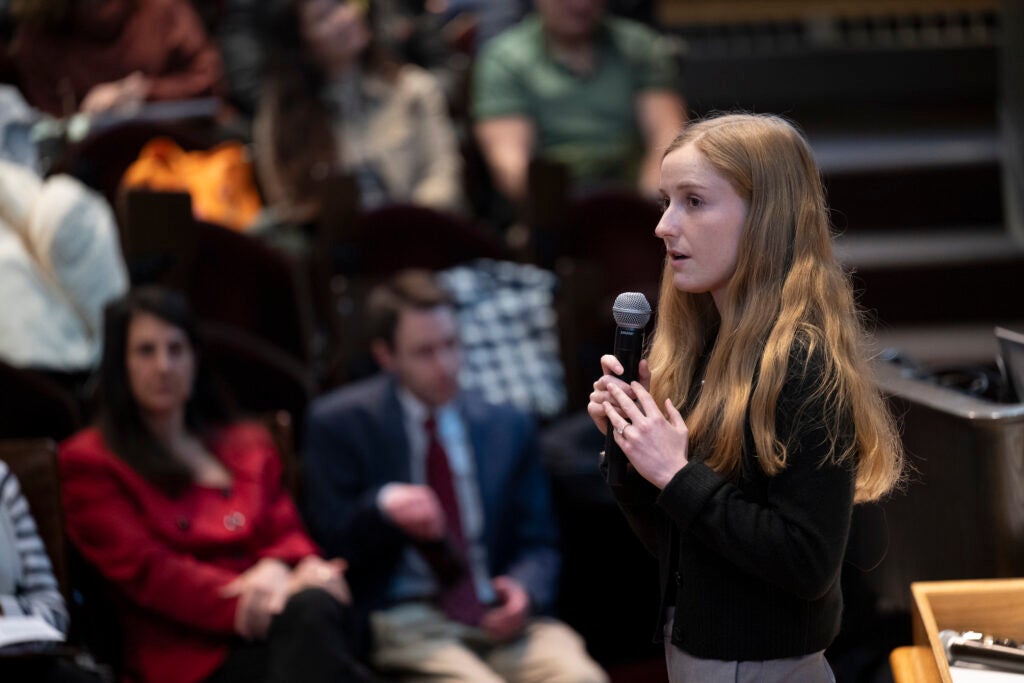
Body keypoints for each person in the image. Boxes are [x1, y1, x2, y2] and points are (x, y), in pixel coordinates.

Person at [587, 113, 904, 682]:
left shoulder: (803, 364)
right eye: (665, 201)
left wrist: (676, 473)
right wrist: (633, 452)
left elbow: (807, 562)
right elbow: (680, 548)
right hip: (696, 656)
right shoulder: (707, 348)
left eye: (693, 202)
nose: (663, 225)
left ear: (765, 217)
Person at [58, 287, 376, 683]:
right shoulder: (89, 460)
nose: (164, 366)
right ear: (118, 366)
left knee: (319, 610)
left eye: (176, 349)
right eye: (145, 351)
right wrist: (255, 599)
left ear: (195, 358)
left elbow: (289, 532)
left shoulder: (244, 442)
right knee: (316, 620)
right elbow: (148, 573)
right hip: (189, 654)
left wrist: (278, 569)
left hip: (288, 629)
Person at [304, 269, 608, 683]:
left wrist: (524, 591)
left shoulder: (506, 423)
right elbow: (326, 539)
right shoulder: (341, 424)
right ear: (385, 356)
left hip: (497, 612)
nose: (445, 365)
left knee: (580, 676)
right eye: (424, 352)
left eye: (451, 345)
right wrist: (381, 508)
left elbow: (539, 540)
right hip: (407, 617)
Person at [253, 0, 465, 233]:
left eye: (343, 4)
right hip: (336, 254)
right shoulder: (283, 117)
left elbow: (443, 177)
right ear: (298, 42)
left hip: (423, 239)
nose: (345, 18)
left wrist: (409, 235)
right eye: (324, 17)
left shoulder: (413, 89)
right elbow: (287, 203)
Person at [472, 0, 685, 205]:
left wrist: (653, 202)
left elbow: (666, 136)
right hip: (549, 204)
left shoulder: (640, 47)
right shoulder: (505, 59)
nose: (581, 4)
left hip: (634, 196)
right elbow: (510, 166)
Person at [9, 0, 223, 118]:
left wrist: (140, 92)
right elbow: (46, 129)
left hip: (180, 156)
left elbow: (211, 80)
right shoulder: (38, 34)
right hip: (87, 173)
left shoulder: (161, 9)